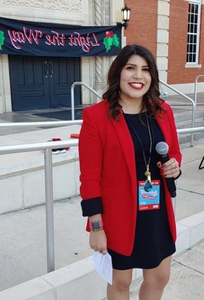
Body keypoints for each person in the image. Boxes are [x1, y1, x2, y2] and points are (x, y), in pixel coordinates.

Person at [78, 44, 182, 300]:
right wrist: (96, 226)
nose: (138, 76)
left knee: (160, 276)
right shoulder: (96, 116)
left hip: (156, 210)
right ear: (118, 73)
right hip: (118, 216)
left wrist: (175, 167)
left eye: (145, 70)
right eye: (131, 68)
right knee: (120, 282)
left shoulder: (163, 111)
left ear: (152, 76)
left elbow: (175, 152)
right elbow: (89, 177)